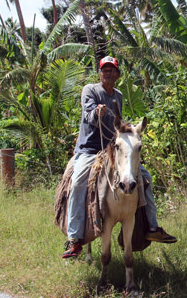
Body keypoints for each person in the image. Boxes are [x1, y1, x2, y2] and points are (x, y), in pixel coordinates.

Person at [62, 56, 176, 259]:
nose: (108, 73)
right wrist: (96, 112)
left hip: (112, 148)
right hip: (88, 149)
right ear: (100, 73)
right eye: (104, 70)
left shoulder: (119, 95)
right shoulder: (90, 90)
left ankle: (152, 226)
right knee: (78, 182)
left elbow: (118, 124)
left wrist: (128, 130)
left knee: (144, 177)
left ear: (117, 74)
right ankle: (74, 239)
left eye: (111, 70)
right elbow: (87, 115)